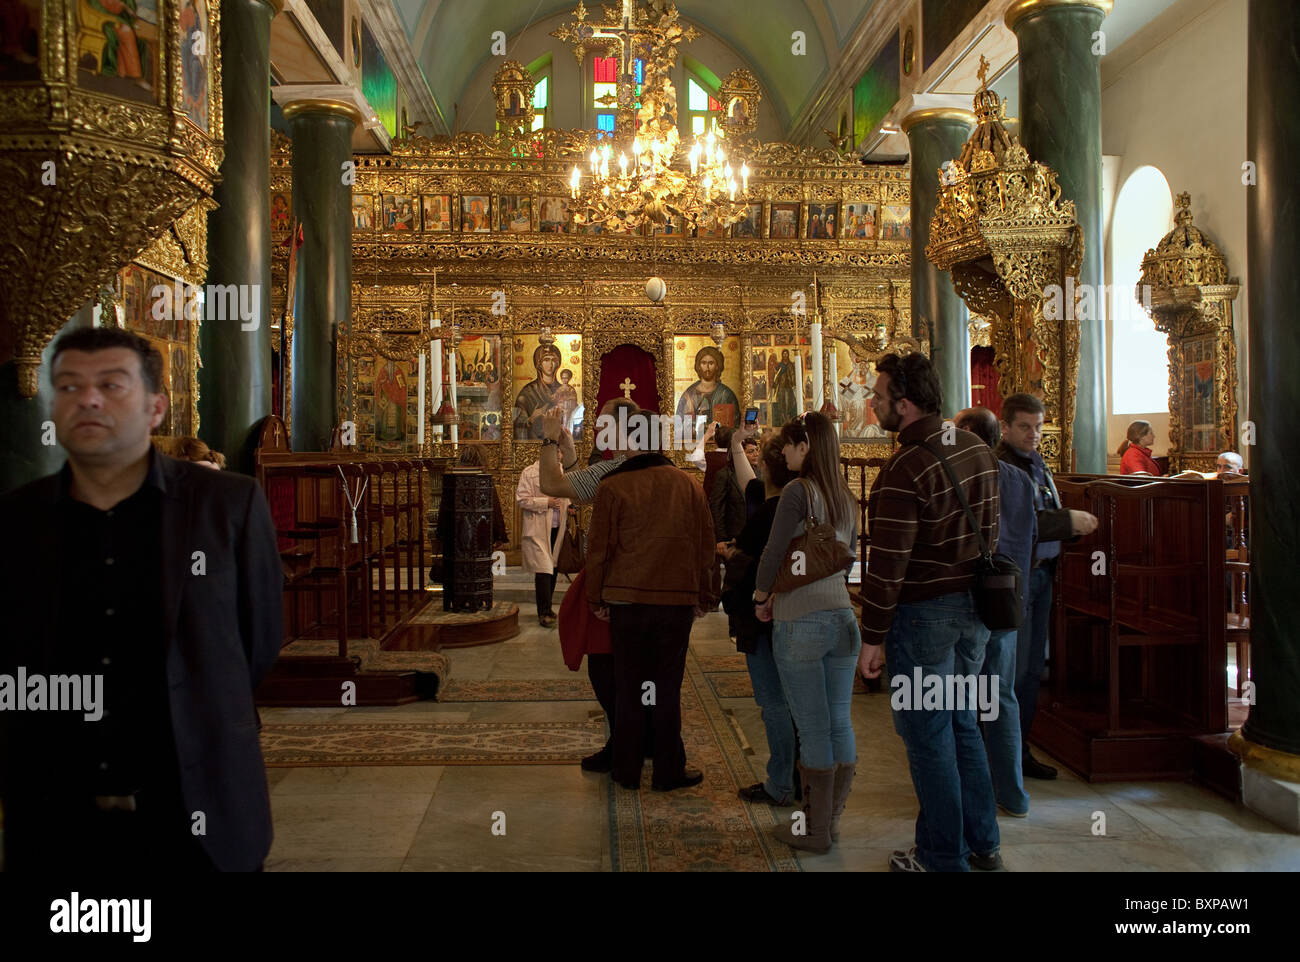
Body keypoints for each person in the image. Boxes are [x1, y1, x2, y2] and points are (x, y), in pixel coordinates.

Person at [0, 328, 283, 872]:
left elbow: (257, 640)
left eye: (111, 384)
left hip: (196, 808)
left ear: (156, 408)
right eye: (68, 386)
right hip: (56, 815)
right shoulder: (17, 520)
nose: (88, 399)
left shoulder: (226, 505)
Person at [856, 352, 1000, 873]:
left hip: (925, 621)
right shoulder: (976, 447)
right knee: (962, 726)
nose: (871, 403)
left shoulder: (903, 468)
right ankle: (982, 843)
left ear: (906, 403)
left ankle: (942, 857)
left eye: (878, 395)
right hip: (975, 616)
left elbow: (887, 568)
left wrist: (871, 638)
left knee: (928, 738)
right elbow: (993, 528)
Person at [586, 408, 715, 791]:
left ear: (629, 443)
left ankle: (626, 771)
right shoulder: (688, 485)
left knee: (629, 687)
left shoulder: (613, 486)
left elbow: (599, 550)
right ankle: (668, 770)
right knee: (665, 688)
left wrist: (597, 597)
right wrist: (706, 595)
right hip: (675, 603)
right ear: (661, 441)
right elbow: (705, 544)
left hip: (626, 603)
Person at [753, 411, 859, 853]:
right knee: (838, 722)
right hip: (843, 619)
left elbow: (775, 549)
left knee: (813, 728)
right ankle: (828, 823)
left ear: (805, 447)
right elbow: (846, 555)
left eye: (791, 445)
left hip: (802, 620)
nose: (785, 453)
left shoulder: (798, 491)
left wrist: (761, 595)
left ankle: (813, 831)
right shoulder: (847, 498)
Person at [996, 393, 1098, 781]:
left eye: (1038, 426)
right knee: (1015, 671)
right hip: (1017, 580)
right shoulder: (1003, 466)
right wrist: (1066, 522)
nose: (1033, 434)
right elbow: (1018, 525)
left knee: (1032, 670)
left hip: (1041, 575)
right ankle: (1007, 758)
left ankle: (1020, 751)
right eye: (1024, 426)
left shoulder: (1036, 463)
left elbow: (1043, 508)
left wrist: (1064, 528)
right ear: (1005, 427)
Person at [955, 405, 1036, 818]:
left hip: (972, 602)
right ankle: (1013, 794)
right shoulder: (1022, 479)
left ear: (970, 435)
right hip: (1008, 599)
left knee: (963, 696)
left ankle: (973, 797)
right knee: (1001, 697)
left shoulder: (969, 477)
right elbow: (1031, 535)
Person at [722, 434, 801, 806]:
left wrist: (730, 551)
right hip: (799, 613)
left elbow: (750, 555)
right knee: (799, 701)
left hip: (765, 615)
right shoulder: (802, 501)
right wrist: (737, 444)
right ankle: (803, 778)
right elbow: (747, 482)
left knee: (773, 702)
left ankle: (780, 783)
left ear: (767, 466)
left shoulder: (771, 511)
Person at [516, 460, 569, 628]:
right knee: (543, 569)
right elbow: (522, 499)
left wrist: (570, 506)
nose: (560, 455)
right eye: (558, 451)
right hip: (538, 529)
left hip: (556, 527)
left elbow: (565, 496)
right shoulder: (529, 472)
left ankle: (548, 608)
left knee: (552, 568)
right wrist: (545, 503)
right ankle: (543, 612)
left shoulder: (562, 471)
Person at [675, 345, 740, 428]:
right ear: (698, 366)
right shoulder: (689, 394)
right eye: (703, 363)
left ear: (717, 366)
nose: (707, 367)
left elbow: (734, 424)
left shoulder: (726, 394)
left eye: (711, 363)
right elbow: (680, 424)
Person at [513, 343, 563, 440]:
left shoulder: (564, 391)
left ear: (558, 363)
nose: (550, 364)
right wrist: (531, 419)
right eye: (546, 360)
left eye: (554, 360)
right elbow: (517, 424)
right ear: (538, 364)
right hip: (533, 444)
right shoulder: (527, 392)